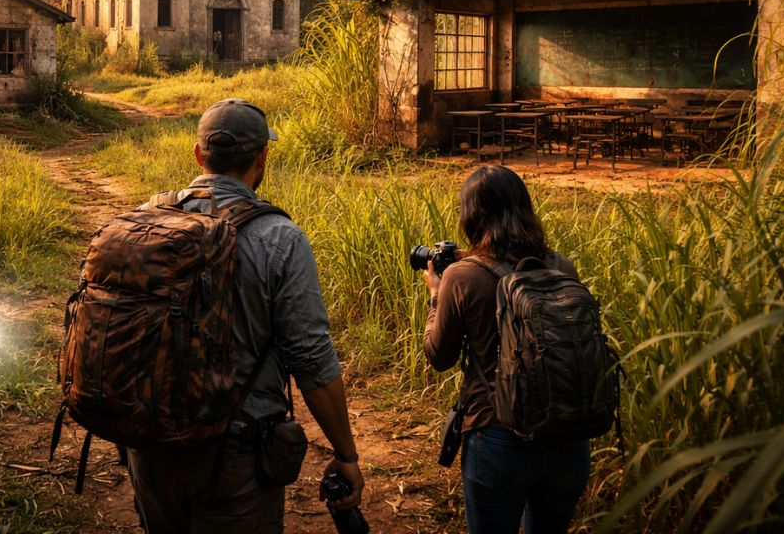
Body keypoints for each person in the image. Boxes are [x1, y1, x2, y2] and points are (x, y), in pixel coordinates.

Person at [126, 98, 365, 532]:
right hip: (236, 455)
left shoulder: (149, 218)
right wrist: (345, 454)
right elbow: (312, 361)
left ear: (199, 155)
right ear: (262, 158)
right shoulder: (280, 238)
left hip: (151, 446)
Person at [423, 165, 590, 534]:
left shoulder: (462, 276)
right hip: (568, 437)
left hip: (498, 438)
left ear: (471, 216)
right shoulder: (561, 266)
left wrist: (435, 295)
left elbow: (439, 356)